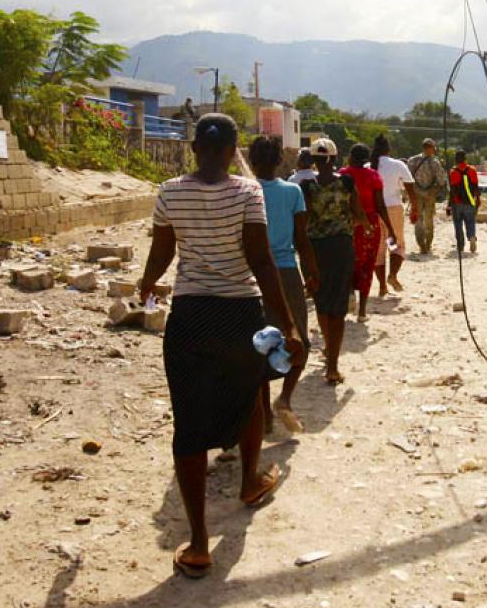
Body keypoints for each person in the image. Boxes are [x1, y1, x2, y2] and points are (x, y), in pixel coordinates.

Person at [138, 114, 304, 580]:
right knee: (251, 394)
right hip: (240, 314)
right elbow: (259, 259)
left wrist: (148, 282)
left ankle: (196, 544)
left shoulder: (170, 191)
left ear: (194, 149)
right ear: (235, 151)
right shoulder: (247, 192)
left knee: (188, 422)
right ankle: (250, 482)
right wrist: (287, 322)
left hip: (190, 316)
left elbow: (163, 250)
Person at [250, 135, 317, 435]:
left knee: (259, 346)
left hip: (251, 275)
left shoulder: (243, 191)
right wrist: (312, 272)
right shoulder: (293, 192)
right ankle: (285, 399)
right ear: (280, 161)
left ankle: (264, 417)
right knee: (298, 341)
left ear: (251, 160)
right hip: (287, 273)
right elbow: (302, 239)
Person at [299, 136, 366, 384]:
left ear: (313, 160)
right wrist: (365, 225)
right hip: (340, 248)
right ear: (335, 158)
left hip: (314, 249)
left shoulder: (306, 186)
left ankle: (329, 349)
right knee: (338, 306)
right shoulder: (347, 183)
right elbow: (357, 213)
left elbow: (303, 220)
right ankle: (333, 366)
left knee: (321, 301)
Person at [340, 143, 389, 319]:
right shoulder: (374, 176)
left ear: (350, 157)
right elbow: (381, 205)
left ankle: (351, 292)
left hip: (348, 224)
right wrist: (390, 228)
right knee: (367, 265)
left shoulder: (342, 175)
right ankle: (362, 312)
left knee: (349, 262)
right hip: (370, 225)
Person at [370, 135, 418, 292]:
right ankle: (392, 275)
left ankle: (382, 286)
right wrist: (415, 208)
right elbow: (410, 187)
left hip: (374, 211)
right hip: (393, 209)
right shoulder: (397, 165)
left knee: (378, 248)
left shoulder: (368, 165)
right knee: (396, 244)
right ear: (388, 149)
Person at [410, 138, 448, 254]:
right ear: (431, 148)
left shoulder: (413, 160)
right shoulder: (435, 162)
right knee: (428, 220)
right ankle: (428, 244)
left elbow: (407, 179)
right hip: (430, 195)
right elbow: (441, 181)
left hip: (416, 194)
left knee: (418, 220)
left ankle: (421, 244)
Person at [448, 149, 480, 255]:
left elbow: (452, 190)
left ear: (456, 160)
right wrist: (478, 199)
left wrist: (449, 205)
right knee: (470, 221)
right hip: (469, 202)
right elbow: (476, 186)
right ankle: (471, 237)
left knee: (458, 224)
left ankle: (460, 246)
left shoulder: (453, 172)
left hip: (457, 202)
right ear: (465, 159)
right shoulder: (472, 170)